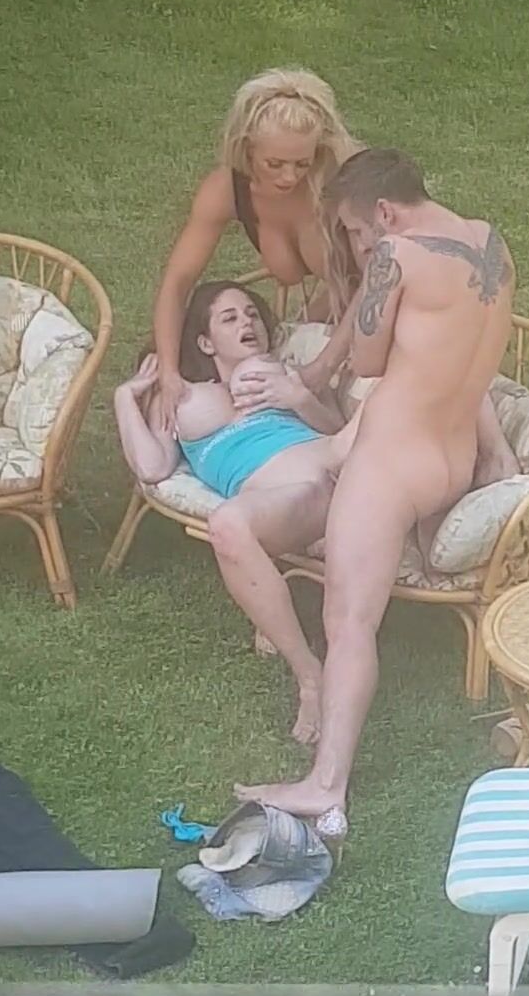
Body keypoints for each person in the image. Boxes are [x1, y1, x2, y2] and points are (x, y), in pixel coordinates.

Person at [235, 148, 515, 829]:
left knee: (349, 622)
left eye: (356, 232)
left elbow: (366, 360)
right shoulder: (491, 244)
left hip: (391, 463)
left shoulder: (396, 255)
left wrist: (376, 286)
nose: (359, 248)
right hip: (452, 458)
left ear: (384, 212)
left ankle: (325, 784)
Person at [114, 281, 358, 747]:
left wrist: (298, 398)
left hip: (340, 464)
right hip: (302, 498)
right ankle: (310, 676)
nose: (248, 322)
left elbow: (337, 428)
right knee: (227, 523)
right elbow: (151, 466)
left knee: (384, 407)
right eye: (230, 318)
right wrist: (125, 397)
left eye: (251, 314)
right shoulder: (181, 396)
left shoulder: (282, 375)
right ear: (205, 343)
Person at [151, 69, 360, 435]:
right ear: (246, 148)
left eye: (302, 163)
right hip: (326, 334)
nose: (289, 177)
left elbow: (385, 275)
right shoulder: (227, 191)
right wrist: (168, 373)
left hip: (379, 326)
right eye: (274, 164)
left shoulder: (343, 181)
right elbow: (177, 282)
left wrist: (324, 364)